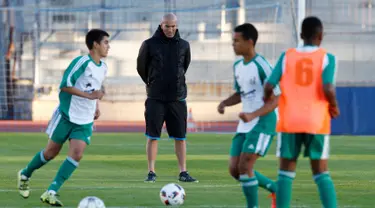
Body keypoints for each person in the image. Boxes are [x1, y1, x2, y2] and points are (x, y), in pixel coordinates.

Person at [17, 29, 110, 206]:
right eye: (105, 42)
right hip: (67, 115)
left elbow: (94, 87)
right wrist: (89, 96)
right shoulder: (81, 62)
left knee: (77, 154)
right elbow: (65, 86)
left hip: (85, 120)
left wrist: (96, 105)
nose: (108, 46)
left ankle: (51, 191)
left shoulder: (103, 67)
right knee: (51, 152)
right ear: (95, 44)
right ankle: (25, 174)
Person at [264, 16, 339, 208]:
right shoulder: (327, 58)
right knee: (321, 172)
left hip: (290, 121)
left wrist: (267, 98)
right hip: (316, 121)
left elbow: (269, 85)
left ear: (301, 35)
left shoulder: (286, 56)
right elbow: (328, 88)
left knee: (285, 173)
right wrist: (334, 106)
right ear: (320, 36)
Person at [217, 23, 279, 208]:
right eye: (233, 41)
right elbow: (240, 93)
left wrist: (253, 115)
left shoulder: (263, 66)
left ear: (249, 42)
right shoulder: (238, 66)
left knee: (245, 166)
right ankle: (276, 188)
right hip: (246, 124)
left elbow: (276, 99)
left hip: (262, 121)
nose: (233, 44)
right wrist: (225, 103)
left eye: (237, 41)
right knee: (235, 170)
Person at [136, 13, 197, 183]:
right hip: (155, 97)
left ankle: (183, 172)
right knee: (153, 136)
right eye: (167, 26)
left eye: (173, 26)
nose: (170, 29)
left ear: (177, 26)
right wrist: (152, 82)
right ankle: (151, 172)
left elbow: (184, 66)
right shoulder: (149, 44)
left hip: (177, 98)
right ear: (161, 25)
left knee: (180, 137)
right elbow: (141, 67)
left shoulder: (184, 45)